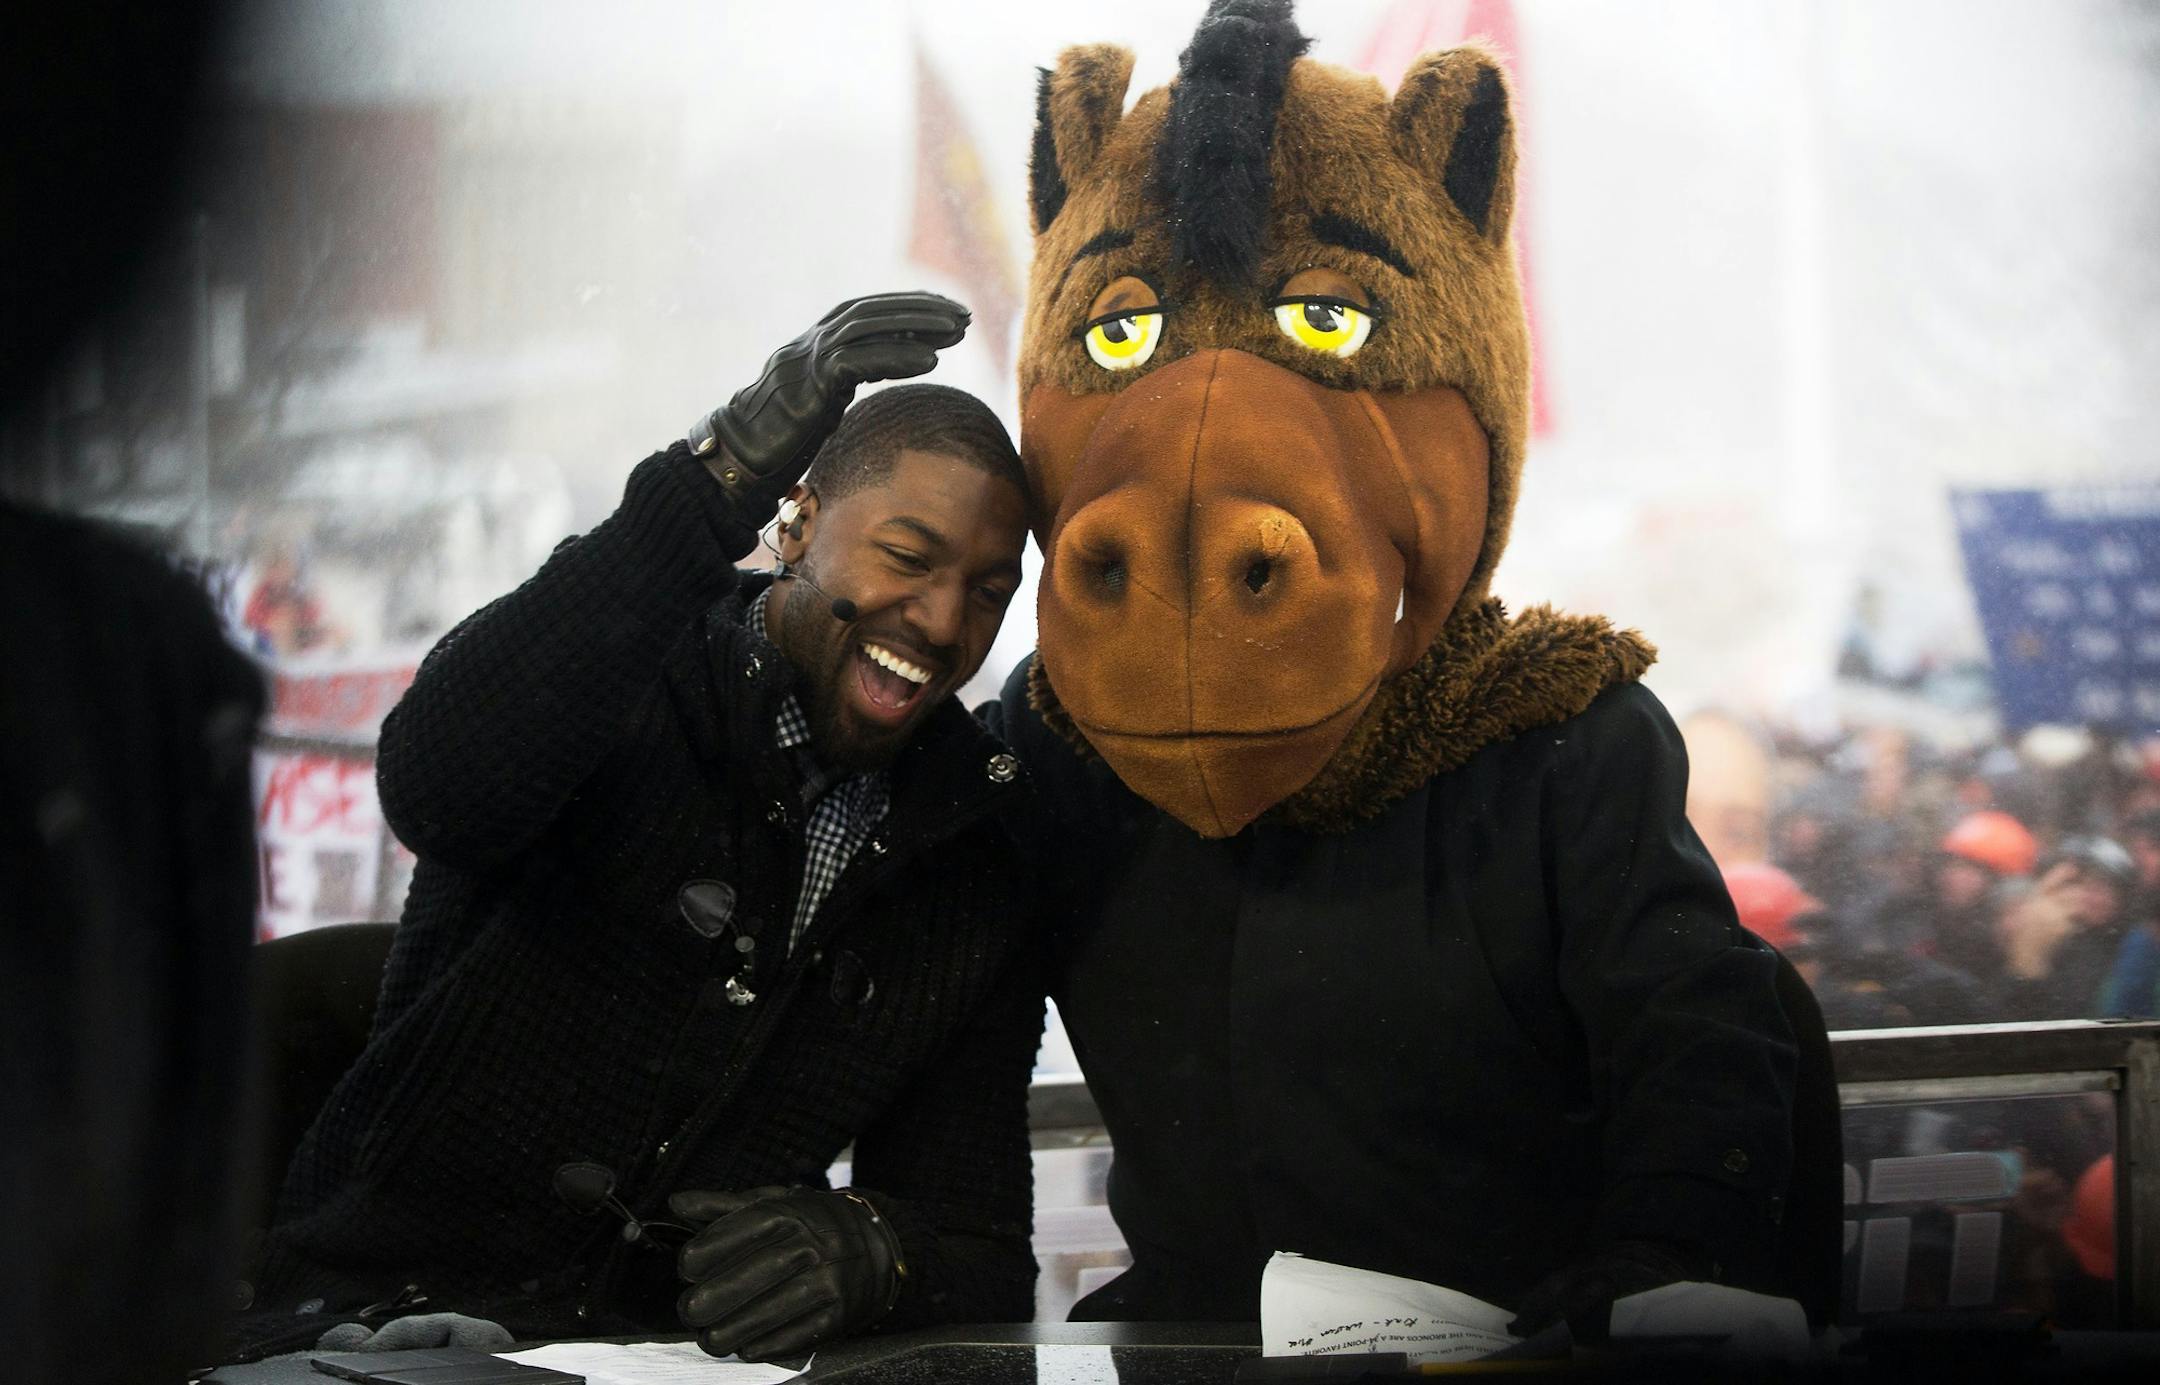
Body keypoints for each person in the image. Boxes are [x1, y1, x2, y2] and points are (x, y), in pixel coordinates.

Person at [991, 0, 1825, 1339]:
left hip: (1508, 1340)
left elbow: (1703, 1052)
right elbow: (903, 1009)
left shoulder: (1563, 737)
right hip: (1192, 1351)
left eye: (1328, 319)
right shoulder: (1053, 757)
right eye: (1118, 335)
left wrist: (1650, 1292)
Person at [242, 293, 1045, 1362]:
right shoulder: (624, 666)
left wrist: (871, 1246)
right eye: (907, 555)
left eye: (990, 592)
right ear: (798, 520)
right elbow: (434, 783)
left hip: (665, 1360)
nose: (945, 623)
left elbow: (981, 1240)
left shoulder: (970, 857)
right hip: (360, 1326)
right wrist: (713, 478)